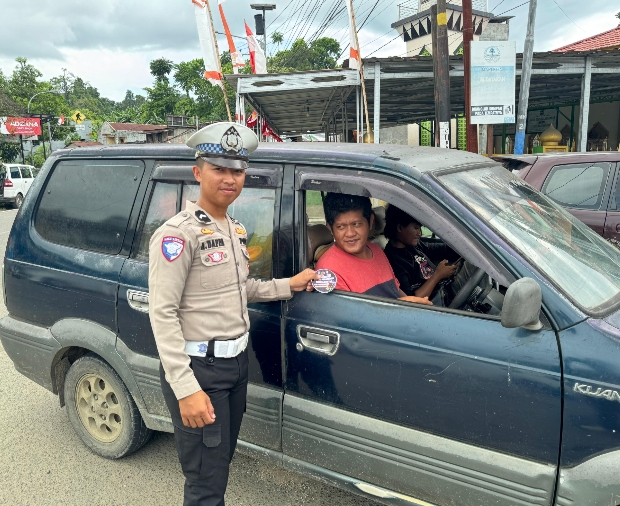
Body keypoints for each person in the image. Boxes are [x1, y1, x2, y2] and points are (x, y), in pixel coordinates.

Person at [149, 122, 318, 506]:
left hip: (235, 366)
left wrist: (289, 285)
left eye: (237, 171)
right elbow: (163, 313)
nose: (230, 178)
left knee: (218, 465)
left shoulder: (233, 229)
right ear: (198, 173)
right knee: (205, 484)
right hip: (199, 370)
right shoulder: (178, 235)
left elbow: (241, 290)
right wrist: (186, 389)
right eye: (219, 169)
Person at [315, 192, 431, 305]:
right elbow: (349, 316)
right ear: (330, 228)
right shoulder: (327, 272)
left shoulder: (376, 250)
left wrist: (413, 305)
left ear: (370, 222)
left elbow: (395, 291)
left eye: (356, 224)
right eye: (340, 226)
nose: (350, 233)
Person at [383, 205, 459, 306]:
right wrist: (438, 275)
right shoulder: (394, 261)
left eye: (420, 228)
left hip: (446, 291)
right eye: (416, 228)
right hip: (436, 303)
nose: (420, 233)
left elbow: (443, 250)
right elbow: (411, 301)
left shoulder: (414, 246)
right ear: (400, 228)